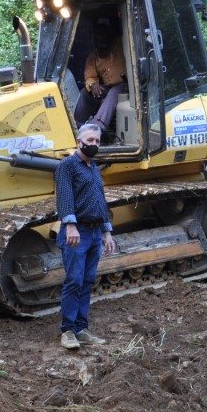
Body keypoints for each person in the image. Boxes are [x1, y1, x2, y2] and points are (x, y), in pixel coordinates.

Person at [54, 122, 115, 349]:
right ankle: (68, 330)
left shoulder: (93, 168)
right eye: (90, 140)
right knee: (74, 280)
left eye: (97, 141)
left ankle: (81, 328)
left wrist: (107, 231)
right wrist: (70, 225)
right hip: (76, 233)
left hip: (94, 232)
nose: (94, 144)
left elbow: (100, 200)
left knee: (87, 281)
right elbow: (64, 196)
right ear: (79, 142)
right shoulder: (67, 165)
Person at [75, 19, 126, 134]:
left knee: (115, 90)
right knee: (85, 92)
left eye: (104, 34)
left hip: (126, 86)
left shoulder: (120, 44)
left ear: (109, 36)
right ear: (94, 40)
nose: (101, 38)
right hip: (108, 89)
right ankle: (77, 125)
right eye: (98, 36)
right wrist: (93, 84)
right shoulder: (93, 57)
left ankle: (98, 126)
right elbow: (89, 76)